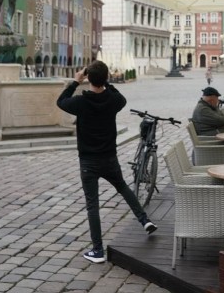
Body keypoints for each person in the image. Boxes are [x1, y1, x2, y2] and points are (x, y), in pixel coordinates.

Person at [56, 61, 157, 264]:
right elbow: (122, 98)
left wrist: (76, 81)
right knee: (123, 188)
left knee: (93, 205)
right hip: (109, 157)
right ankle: (145, 220)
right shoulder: (112, 100)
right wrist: (106, 83)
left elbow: (61, 101)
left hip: (88, 161)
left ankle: (97, 250)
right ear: (106, 78)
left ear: (88, 78)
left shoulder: (80, 103)